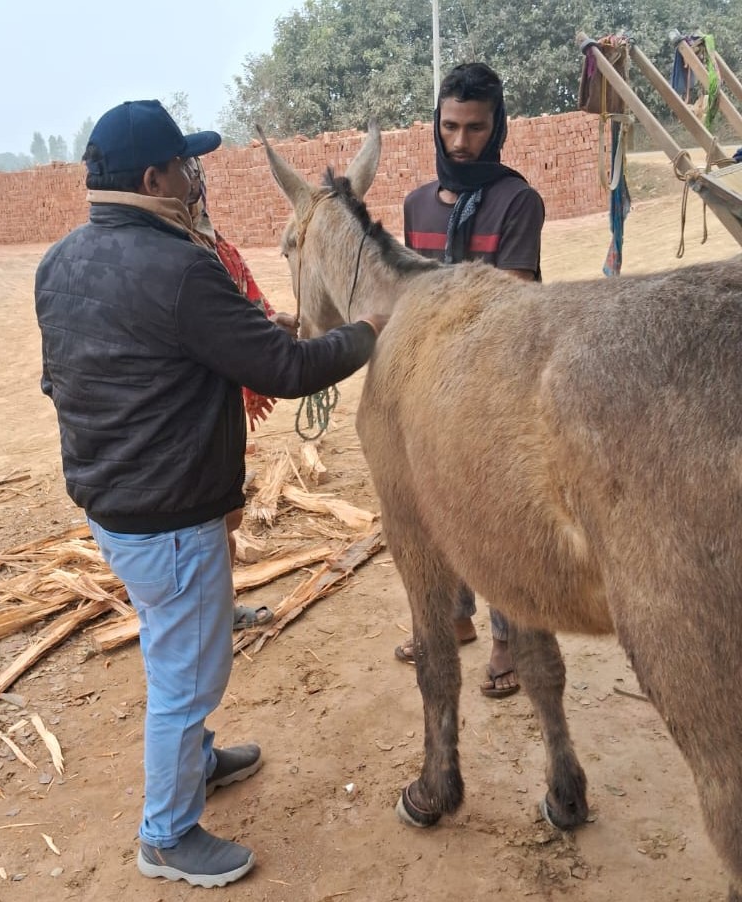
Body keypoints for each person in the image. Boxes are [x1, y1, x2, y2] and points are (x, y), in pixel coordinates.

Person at [35, 99, 386, 888]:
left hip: (113, 510)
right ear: (155, 176)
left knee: (174, 651)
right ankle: (167, 835)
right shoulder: (181, 268)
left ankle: (195, 766)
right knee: (184, 678)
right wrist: (366, 329)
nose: (197, 179)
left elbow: (60, 380)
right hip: (172, 515)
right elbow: (287, 372)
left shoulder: (59, 261)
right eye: (187, 166)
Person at [399, 62, 545, 699]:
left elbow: (512, 307)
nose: (460, 142)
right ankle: (453, 620)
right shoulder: (416, 205)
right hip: (431, 393)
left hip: (496, 395)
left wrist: (436, 312)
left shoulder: (519, 202)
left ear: (498, 127)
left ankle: (507, 640)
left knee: (500, 524)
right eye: (450, 126)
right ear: (437, 123)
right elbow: (409, 294)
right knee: (435, 512)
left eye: (476, 128)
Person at [187, 156, 279, 632]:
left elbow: (250, 312)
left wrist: (273, 332)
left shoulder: (217, 248)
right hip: (187, 416)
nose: (193, 186)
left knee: (223, 518)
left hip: (218, 414)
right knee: (200, 524)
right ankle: (201, 623)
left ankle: (218, 612)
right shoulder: (179, 257)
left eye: (195, 176)